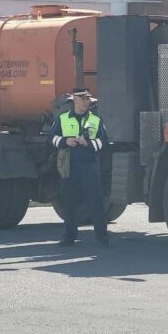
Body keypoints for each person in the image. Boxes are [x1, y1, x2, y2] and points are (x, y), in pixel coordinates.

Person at [50, 87, 110, 248]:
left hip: (89, 165)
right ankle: (69, 237)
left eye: (88, 98)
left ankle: (102, 237)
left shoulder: (95, 119)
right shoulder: (63, 118)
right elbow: (52, 138)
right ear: (74, 100)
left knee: (96, 202)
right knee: (69, 203)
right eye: (83, 98)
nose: (86, 101)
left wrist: (88, 143)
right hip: (70, 166)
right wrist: (65, 141)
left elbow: (103, 142)